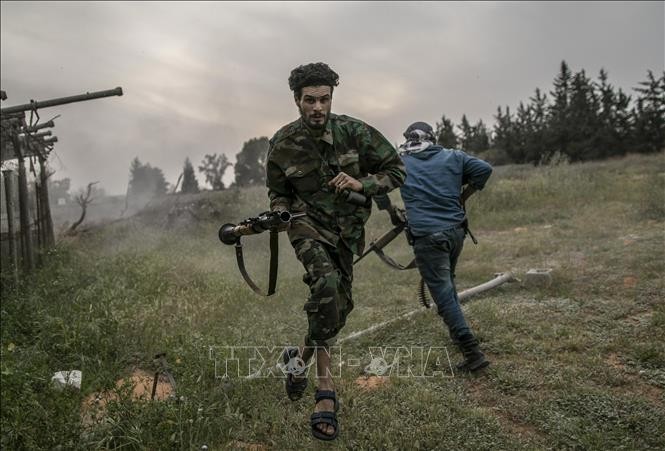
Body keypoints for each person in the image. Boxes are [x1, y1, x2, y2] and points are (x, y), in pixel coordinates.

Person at [266, 62, 406, 440]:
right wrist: (280, 211)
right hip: (306, 226)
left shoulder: (355, 132)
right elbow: (278, 191)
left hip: (348, 232)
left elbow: (396, 170)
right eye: (310, 100)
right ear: (297, 100)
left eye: (324, 99)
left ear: (332, 98)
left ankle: (297, 361)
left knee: (339, 309)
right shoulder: (281, 144)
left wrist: (362, 182)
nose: (318, 107)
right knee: (325, 288)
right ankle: (325, 394)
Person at [397, 121, 493, 373]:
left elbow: (377, 185)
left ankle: (472, 351)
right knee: (447, 283)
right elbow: (484, 169)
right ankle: (456, 330)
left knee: (441, 291)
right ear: (433, 137)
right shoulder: (453, 156)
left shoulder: (401, 162)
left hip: (428, 236)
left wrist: (388, 210)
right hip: (455, 232)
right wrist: (464, 196)